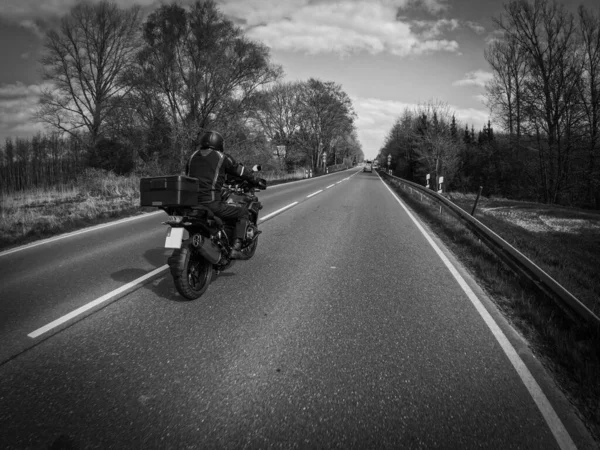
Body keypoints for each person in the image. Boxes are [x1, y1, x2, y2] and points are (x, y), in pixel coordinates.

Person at [186, 130, 256, 259]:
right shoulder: (222, 157)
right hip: (211, 203)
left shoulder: (192, 156)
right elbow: (240, 171)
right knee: (242, 212)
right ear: (219, 144)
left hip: (191, 203)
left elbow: (191, 174)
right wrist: (253, 179)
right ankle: (236, 247)